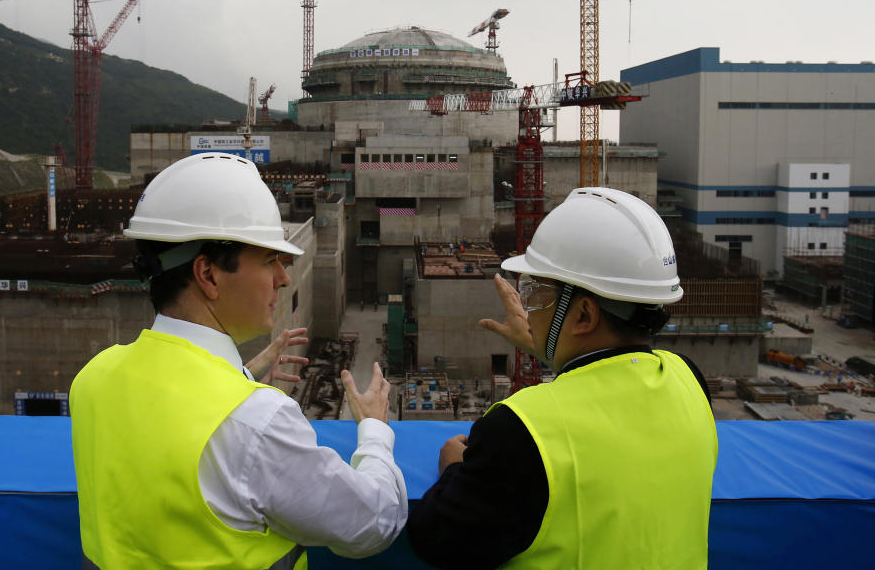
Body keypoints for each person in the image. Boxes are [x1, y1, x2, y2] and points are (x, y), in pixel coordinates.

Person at [70, 153, 407, 569]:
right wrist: (374, 429)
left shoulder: (94, 377)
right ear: (208, 275)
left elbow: (169, 437)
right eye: (269, 261)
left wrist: (240, 375)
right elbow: (374, 522)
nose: (283, 278)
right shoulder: (256, 420)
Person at [407, 187, 718, 569]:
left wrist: (453, 468)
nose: (528, 308)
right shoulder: (689, 380)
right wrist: (552, 345)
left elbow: (437, 540)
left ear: (584, 315)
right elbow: (609, 387)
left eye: (536, 294)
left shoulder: (521, 428)